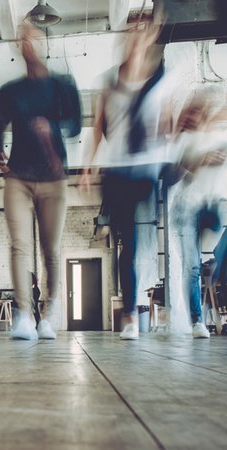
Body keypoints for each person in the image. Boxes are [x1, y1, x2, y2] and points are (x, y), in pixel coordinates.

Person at [81, 22, 174, 340]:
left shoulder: (160, 81)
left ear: (147, 42)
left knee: (142, 242)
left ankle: (139, 309)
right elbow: (97, 127)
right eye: (129, 37)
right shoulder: (107, 81)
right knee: (128, 244)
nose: (133, 42)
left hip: (146, 169)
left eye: (140, 37)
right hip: (118, 169)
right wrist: (86, 166)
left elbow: (168, 124)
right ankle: (131, 316)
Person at [0, 25, 82, 340]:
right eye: (22, 37)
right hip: (19, 176)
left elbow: (74, 126)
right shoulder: (9, 91)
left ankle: (50, 311)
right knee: (18, 245)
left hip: (54, 178)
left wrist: (51, 126)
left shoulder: (62, 85)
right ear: (18, 46)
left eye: (33, 37)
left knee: (50, 249)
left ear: (45, 43)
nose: (27, 42)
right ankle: (24, 316)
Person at [170, 88, 227, 338]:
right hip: (186, 210)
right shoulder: (185, 141)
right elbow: (180, 173)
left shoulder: (220, 136)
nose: (200, 115)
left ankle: (211, 297)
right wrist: (202, 160)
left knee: (214, 263)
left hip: (212, 208)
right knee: (192, 267)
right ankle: (197, 321)